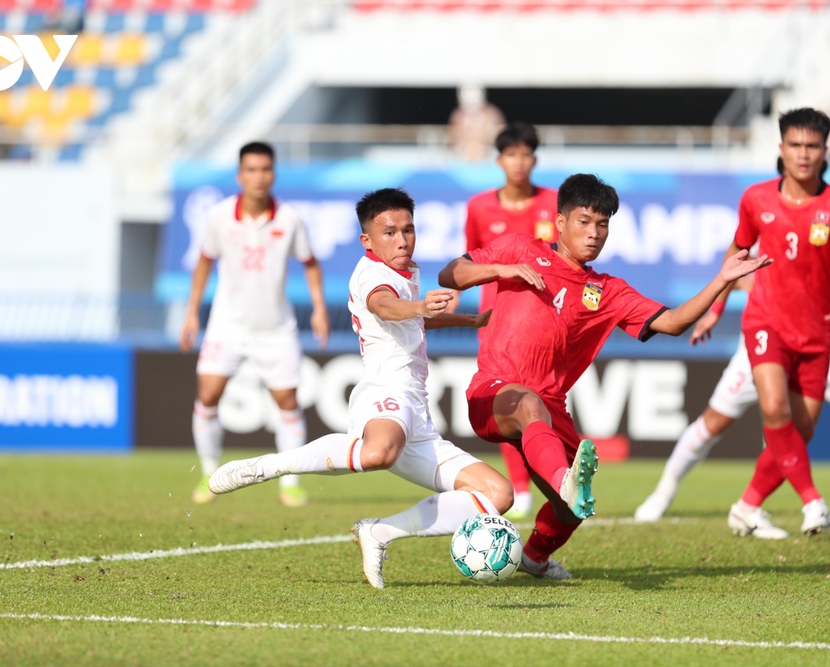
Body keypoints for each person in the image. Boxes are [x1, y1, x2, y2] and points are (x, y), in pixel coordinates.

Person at [438, 173, 771, 579]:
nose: (594, 233)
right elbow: (450, 273)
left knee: (573, 507)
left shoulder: (607, 290)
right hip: (494, 391)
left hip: (548, 408)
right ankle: (563, 479)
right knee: (531, 410)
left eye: (603, 224)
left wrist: (722, 280)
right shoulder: (518, 247)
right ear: (560, 222)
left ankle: (534, 557)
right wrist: (503, 268)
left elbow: (672, 323)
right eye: (583, 221)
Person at [209, 188, 513, 589]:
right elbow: (385, 307)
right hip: (384, 391)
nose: (402, 239)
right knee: (377, 453)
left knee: (497, 494)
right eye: (389, 232)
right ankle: (269, 466)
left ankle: (380, 532)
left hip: (417, 415)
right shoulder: (372, 274)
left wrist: (467, 321)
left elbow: (409, 319)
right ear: (367, 240)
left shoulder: (407, 269)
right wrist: (421, 306)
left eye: (408, 229)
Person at [689, 108, 830, 538]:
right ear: (781, 149)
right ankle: (813, 500)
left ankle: (747, 506)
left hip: (816, 333)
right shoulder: (756, 199)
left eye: (812, 145)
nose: (803, 153)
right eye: (795, 145)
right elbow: (735, 256)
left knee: (800, 430)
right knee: (773, 407)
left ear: (825, 150)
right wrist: (715, 309)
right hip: (765, 322)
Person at [635, 294, 830, 530]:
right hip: (765, 341)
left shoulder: (826, 248)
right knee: (714, 422)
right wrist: (717, 310)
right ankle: (662, 493)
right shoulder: (762, 250)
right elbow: (736, 263)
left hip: (813, 340)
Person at [179, 141, 330, 507]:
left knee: (287, 401)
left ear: (273, 173)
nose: (258, 176)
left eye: (265, 169)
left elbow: (310, 263)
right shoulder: (218, 216)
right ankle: (209, 472)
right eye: (251, 169)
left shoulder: (289, 218)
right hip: (227, 326)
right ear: (240, 174)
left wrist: (319, 308)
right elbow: (203, 261)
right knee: (208, 395)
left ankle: (290, 484)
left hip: (275, 328)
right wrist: (191, 312)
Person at [461, 121, 559, 519]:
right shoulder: (480, 206)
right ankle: (520, 488)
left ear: (535, 159)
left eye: (526, 154)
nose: (519, 162)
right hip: (497, 320)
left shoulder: (554, 204)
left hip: (547, 318)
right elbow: (471, 261)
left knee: (541, 400)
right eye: (511, 154)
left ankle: (550, 476)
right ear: (499, 160)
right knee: (508, 397)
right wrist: (456, 296)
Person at [447, 83, 505, 163]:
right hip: (463, 156)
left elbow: (501, 136)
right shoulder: (458, 116)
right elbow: (452, 139)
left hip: (488, 155)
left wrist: (483, 139)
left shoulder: (491, 114)